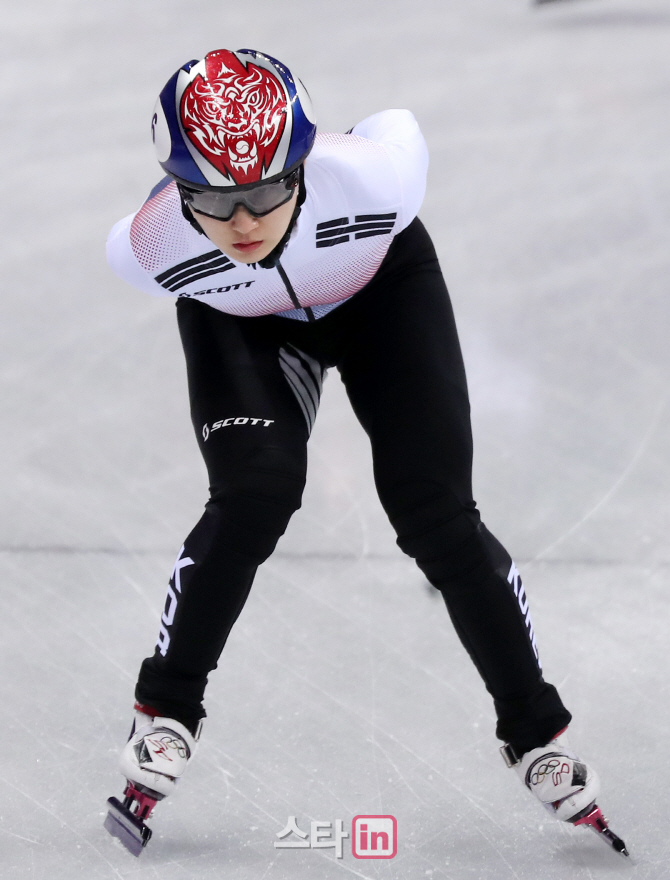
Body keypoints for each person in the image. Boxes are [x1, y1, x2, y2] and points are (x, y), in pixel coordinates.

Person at [104, 48, 624, 856]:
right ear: (177, 189)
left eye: (270, 188)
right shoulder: (150, 247)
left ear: (307, 162)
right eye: (213, 198)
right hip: (245, 325)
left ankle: (537, 731)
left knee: (437, 512)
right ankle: (166, 709)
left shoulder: (379, 179)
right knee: (253, 493)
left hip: (383, 290)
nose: (244, 221)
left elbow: (394, 126)